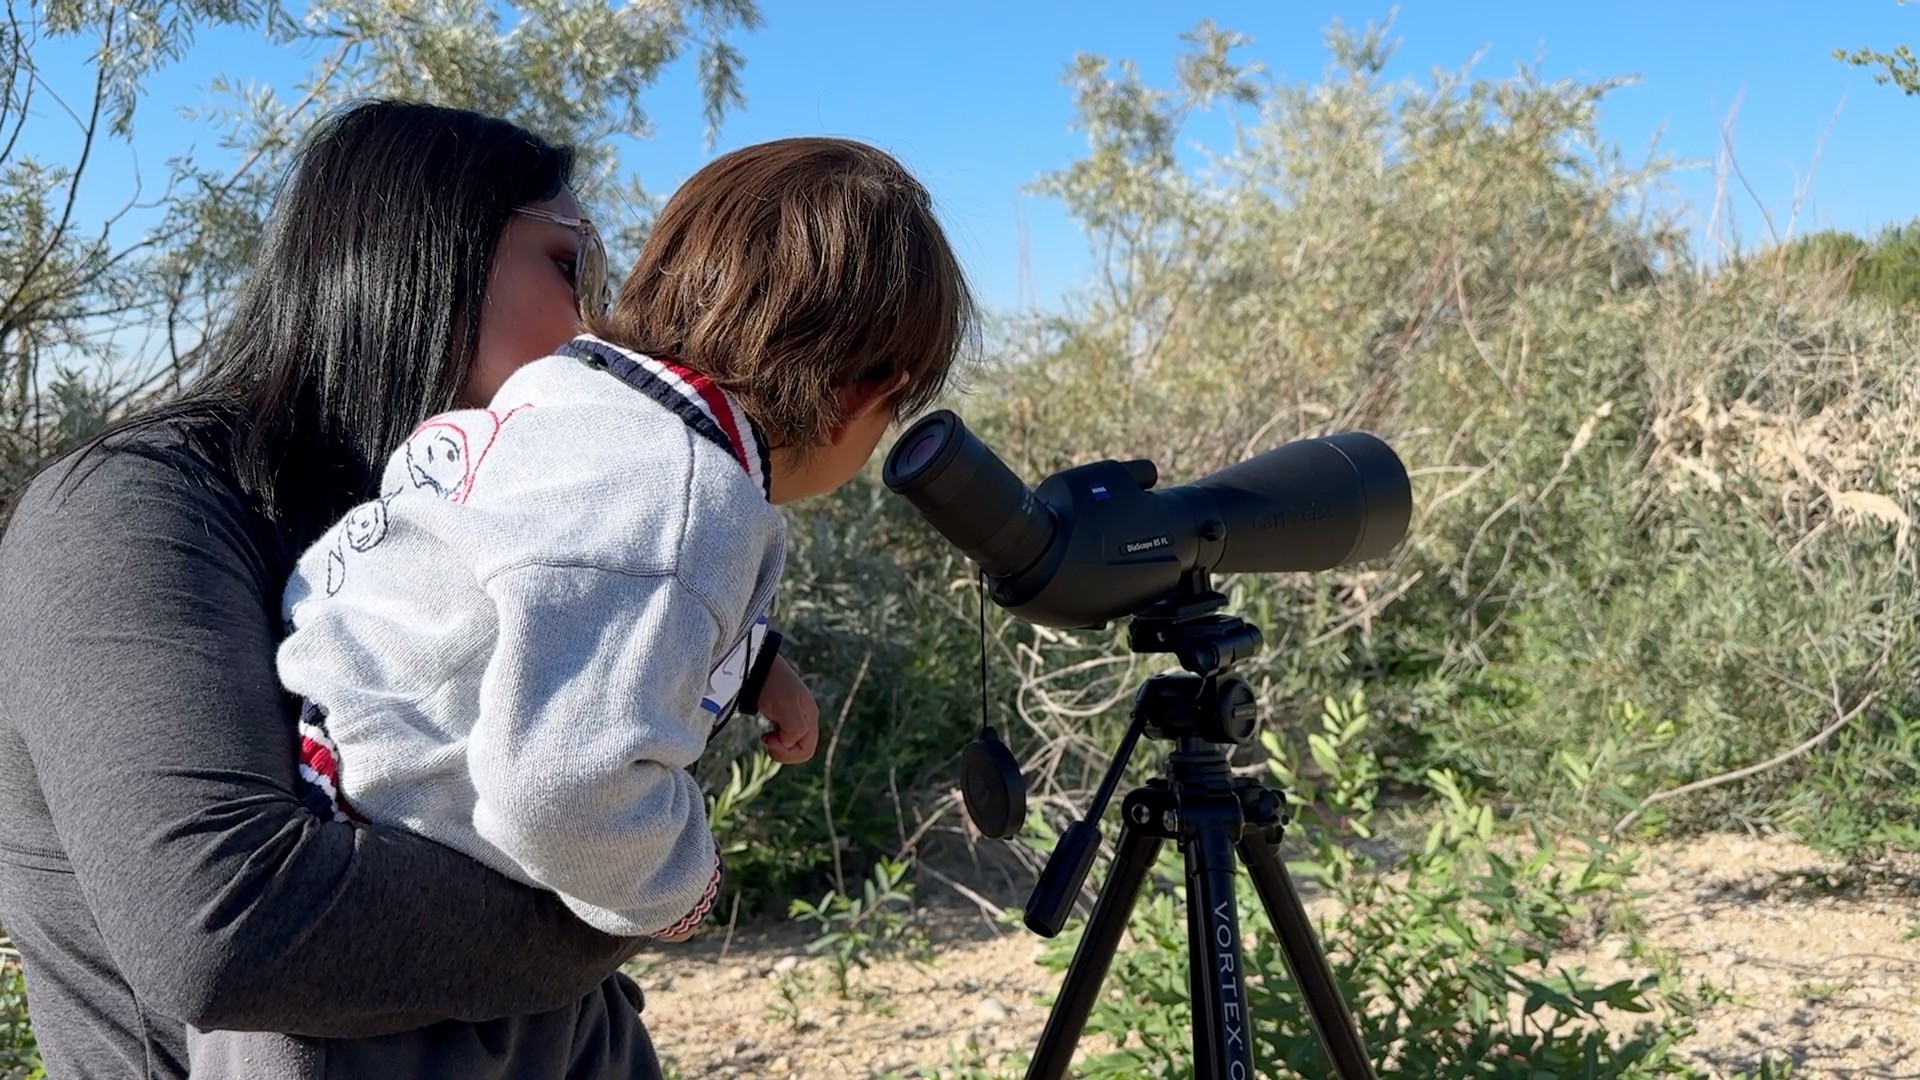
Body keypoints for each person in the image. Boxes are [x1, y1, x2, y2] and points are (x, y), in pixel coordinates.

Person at [0, 99, 813, 1080]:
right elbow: (228, 926)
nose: (593, 323)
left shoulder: (453, 516)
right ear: (432, 258)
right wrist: (632, 895)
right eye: (567, 265)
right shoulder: (132, 512)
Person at [188, 131, 973, 1074]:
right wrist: (680, 884)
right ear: (867, 397)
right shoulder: (692, 499)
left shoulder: (563, 401)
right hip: (391, 1009)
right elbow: (557, 794)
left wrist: (759, 666)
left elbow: (557, 589)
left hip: (339, 827)